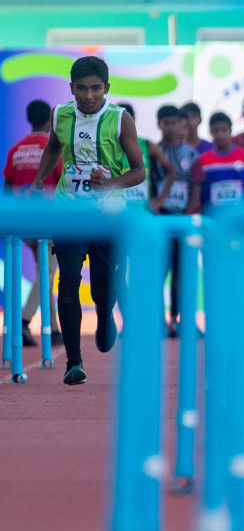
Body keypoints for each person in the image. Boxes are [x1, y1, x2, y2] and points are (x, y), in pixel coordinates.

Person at [28, 57, 147, 386]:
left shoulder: (121, 120)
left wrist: (108, 183)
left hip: (109, 215)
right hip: (69, 211)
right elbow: (53, 147)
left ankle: (106, 313)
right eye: (81, 87)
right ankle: (74, 361)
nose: (89, 94)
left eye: (96, 88)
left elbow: (139, 171)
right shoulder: (61, 114)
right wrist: (40, 180)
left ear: (107, 88)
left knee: (103, 288)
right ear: (71, 88)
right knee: (66, 279)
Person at [4, 99, 62, 345]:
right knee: (48, 273)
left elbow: (7, 190)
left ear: (29, 119)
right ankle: (23, 321)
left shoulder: (16, 149)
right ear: (50, 121)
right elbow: (63, 185)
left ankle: (55, 330)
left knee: (44, 275)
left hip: (23, 222)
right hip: (48, 222)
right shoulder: (53, 148)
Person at [150, 104, 200, 337]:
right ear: (159, 124)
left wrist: (189, 215)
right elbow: (147, 185)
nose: (170, 127)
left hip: (183, 221)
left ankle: (181, 320)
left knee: (182, 273)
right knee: (157, 272)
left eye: (174, 122)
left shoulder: (190, 154)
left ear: (182, 125)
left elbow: (196, 187)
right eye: (166, 122)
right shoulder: (152, 152)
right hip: (159, 221)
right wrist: (155, 207)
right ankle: (156, 321)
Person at [195, 112, 244, 211]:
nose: (220, 134)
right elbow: (197, 195)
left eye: (224, 130)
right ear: (210, 132)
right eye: (216, 130)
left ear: (230, 130)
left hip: (240, 218)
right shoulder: (202, 160)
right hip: (212, 219)